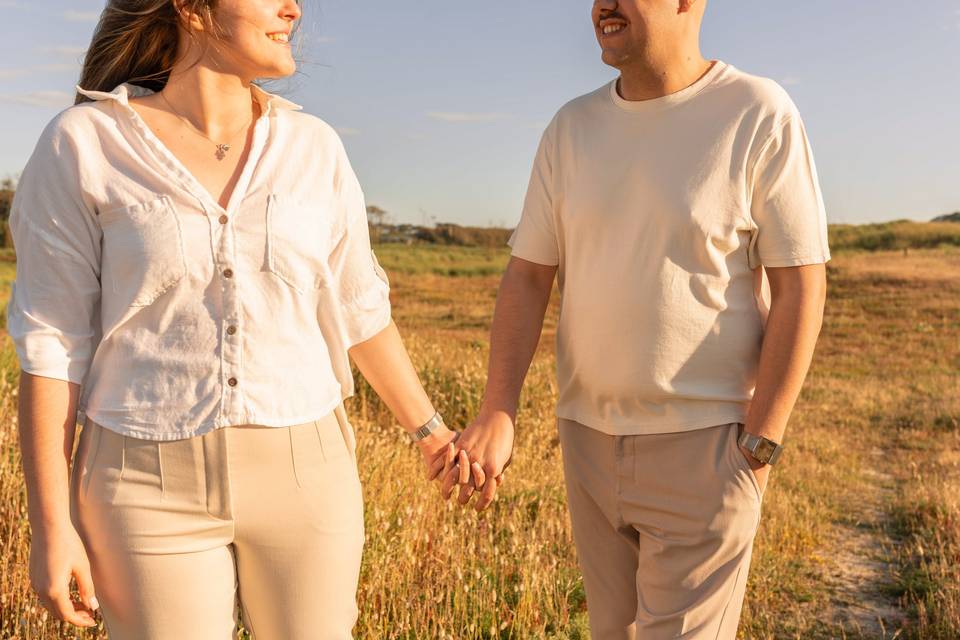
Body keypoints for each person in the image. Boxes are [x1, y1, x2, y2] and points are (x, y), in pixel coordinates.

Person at [8, 1, 464, 637]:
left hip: (308, 473)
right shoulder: (83, 143)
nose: (294, 8)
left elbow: (360, 307)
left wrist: (434, 435)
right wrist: (51, 527)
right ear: (194, 10)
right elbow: (53, 346)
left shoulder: (315, 148)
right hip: (141, 482)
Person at [443, 1, 830, 638]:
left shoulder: (758, 112)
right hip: (587, 444)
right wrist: (497, 410)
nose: (603, 5)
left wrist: (759, 445)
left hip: (707, 446)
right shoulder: (570, 128)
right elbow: (528, 275)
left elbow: (801, 284)